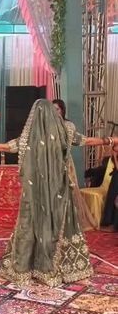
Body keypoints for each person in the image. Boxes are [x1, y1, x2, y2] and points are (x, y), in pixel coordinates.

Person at [0, 99, 118, 287]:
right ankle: (60, 267)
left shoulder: (32, 137)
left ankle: (29, 266)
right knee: (57, 225)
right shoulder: (63, 133)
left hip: (35, 195)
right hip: (59, 193)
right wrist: (111, 140)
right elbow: (87, 141)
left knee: (33, 224)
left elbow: (6, 147)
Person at [52, 99, 97, 231]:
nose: (55, 112)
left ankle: (70, 223)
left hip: (65, 163)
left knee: (68, 192)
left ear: (62, 110)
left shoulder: (68, 125)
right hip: (50, 163)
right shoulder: (47, 126)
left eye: (57, 109)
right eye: (52, 110)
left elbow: (66, 144)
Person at [100, 142, 118, 232]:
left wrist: (114, 156)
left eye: (116, 146)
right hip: (115, 177)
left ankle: (113, 225)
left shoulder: (115, 155)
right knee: (111, 198)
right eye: (114, 147)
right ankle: (109, 223)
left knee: (114, 199)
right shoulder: (114, 154)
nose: (114, 148)